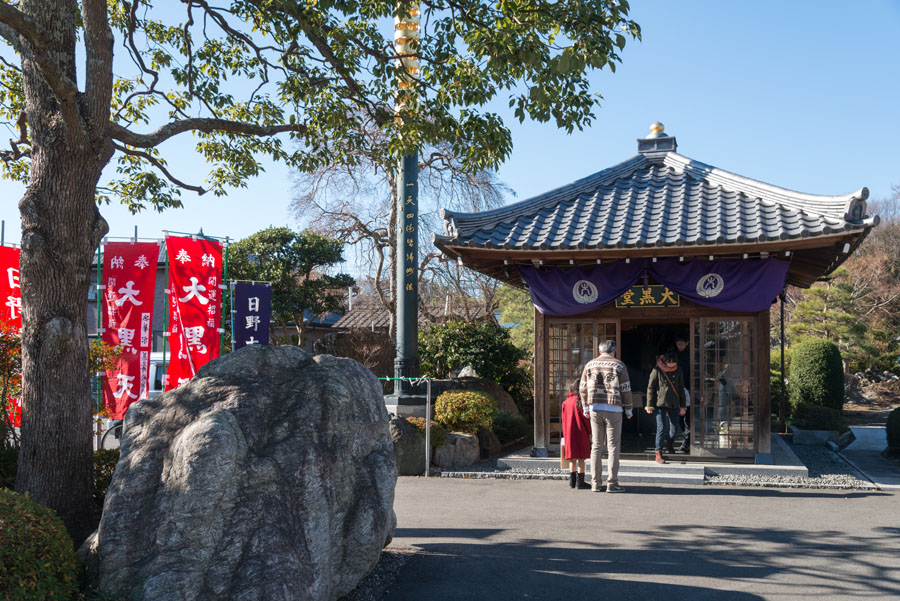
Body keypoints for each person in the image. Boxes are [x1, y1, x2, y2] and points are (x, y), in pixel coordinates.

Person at [579, 340, 633, 493]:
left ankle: (595, 483)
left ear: (599, 350)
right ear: (614, 351)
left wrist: (586, 407)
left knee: (596, 446)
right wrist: (628, 409)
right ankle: (612, 483)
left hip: (595, 408)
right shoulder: (619, 365)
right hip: (614, 408)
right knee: (613, 446)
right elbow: (626, 389)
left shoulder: (589, 365)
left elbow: (582, 388)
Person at [646, 351, 686, 464]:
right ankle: (658, 452)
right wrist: (649, 405)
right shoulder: (657, 369)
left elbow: (681, 388)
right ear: (665, 361)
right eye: (670, 363)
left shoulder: (679, 370)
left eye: (674, 363)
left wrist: (683, 406)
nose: (672, 365)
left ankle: (669, 442)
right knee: (661, 427)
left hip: (675, 403)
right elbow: (650, 388)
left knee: (674, 428)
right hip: (660, 403)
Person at [561, 379, 591, 490]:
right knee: (581, 459)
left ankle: (572, 482)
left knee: (572, 459)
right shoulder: (581, 402)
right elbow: (586, 420)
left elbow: (563, 420)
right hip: (581, 432)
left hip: (569, 433)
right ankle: (580, 483)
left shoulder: (566, 402)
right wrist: (590, 432)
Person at [674, 333, 691, 453]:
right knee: (680, 417)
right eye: (678, 344)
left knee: (687, 417)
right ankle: (686, 440)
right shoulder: (675, 355)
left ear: (687, 343)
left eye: (681, 344)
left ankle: (687, 441)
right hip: (678, 388)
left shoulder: (690, 355)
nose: (679, 346)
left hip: (688, 388)